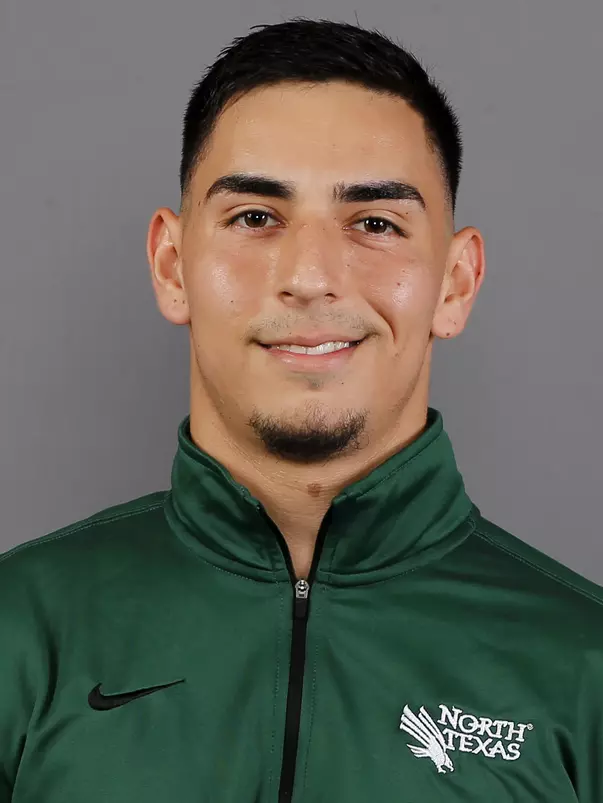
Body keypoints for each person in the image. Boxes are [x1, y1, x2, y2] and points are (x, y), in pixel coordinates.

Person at [1, 16, 601, 803]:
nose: (311, 276)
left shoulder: (582, 666)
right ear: (171, 266)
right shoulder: (18, 632)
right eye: (255, 217)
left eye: (375, 223)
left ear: (454, 284)